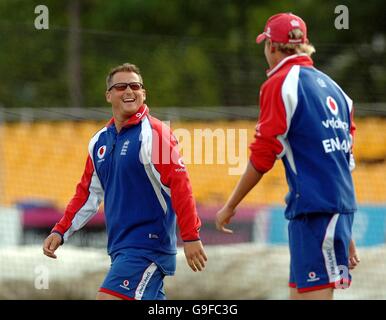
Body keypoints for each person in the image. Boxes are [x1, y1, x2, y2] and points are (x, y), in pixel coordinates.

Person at [216, 13, 360, 300]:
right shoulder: (338, 91)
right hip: (324, 211)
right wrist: (344, 225)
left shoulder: (279, 84)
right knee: (299, 294)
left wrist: (230, 205)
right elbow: (342, 160)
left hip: (314, 211)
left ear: (271, 46)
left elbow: (262, 155)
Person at [43, 63, 207, 300]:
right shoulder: (98, 141)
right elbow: (87, 194)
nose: (129, 91)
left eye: (135, 86)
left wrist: (191, 236)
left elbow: (181, 185)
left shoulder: (155, 133)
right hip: (120, 247)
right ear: (109, 95)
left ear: (144, 93)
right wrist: (60, 231)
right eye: (121, 86)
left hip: (147, 247)